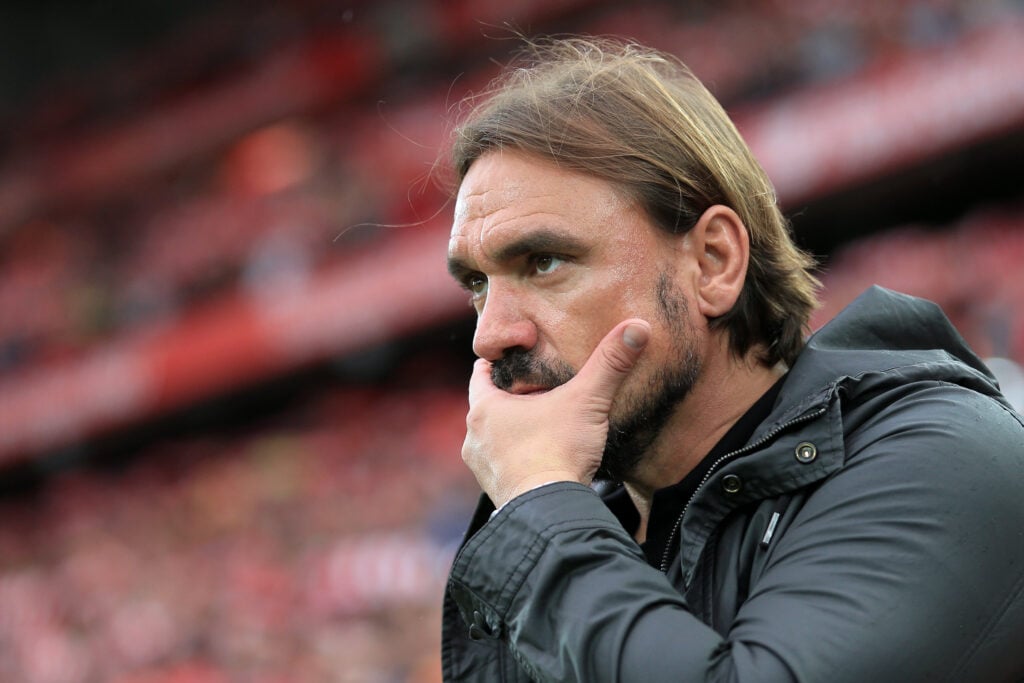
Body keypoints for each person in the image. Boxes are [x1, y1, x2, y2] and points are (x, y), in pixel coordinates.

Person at [440, 37, 1024, 682]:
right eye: (477, 284)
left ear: (713, 262)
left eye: (544, 262)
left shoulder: (935, 454)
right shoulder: (587, 534)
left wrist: (538, 500)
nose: (491, 334)